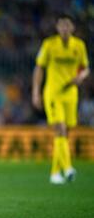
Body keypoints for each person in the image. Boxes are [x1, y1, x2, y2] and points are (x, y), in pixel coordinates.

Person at [32, 14, 90, 184]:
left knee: (66, 132)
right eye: (61, 25)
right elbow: (39, 68)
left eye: (67, 25)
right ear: (57, 28)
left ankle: (55, 173)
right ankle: (68, 167)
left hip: (71, 93)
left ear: (72, 28)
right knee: (60, 129)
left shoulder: (79, 45)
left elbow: (85, 68)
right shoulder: (49, 44)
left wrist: (81, 77)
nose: (64, 28)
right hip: (53, 93)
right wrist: (36, 91)